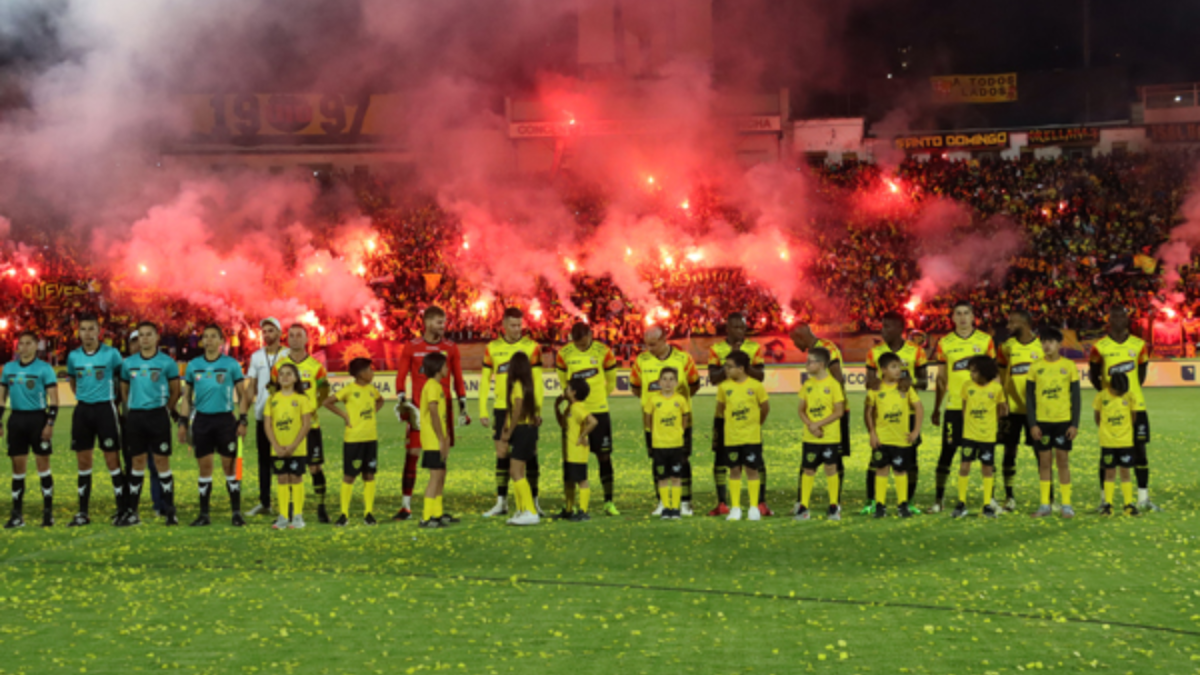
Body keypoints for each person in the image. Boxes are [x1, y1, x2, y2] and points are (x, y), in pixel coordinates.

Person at [394, 307, 467, 521]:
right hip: (420, 412)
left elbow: (458, 377)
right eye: (438, 322)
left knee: (442, 458)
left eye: (444, 322)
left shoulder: (450, 347)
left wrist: (462, 403)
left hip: (445, 410)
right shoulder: (412, 346)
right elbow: (401, 375)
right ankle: (406, 506)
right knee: (413, 454)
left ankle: (437, 510)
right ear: (426, 323)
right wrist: (401, 398)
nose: (442, 326)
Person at [177, 324, 250, 527]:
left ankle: (236, 513)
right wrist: (183, 423)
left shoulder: (231, 364)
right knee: (205, 468)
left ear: (221, 341)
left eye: (213, 336)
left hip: (225, 421)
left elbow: (243, 395)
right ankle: (204, 515)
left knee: (230, 467)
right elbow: (187, 398)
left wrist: (243, 420)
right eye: (205, 337)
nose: (208, 340)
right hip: (202, 422)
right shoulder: (193, 365)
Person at [1088, 307, 1155, 512]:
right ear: (1109, 320)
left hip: (1136, 406)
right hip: (1110, 408)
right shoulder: (1099, 347)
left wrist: (1130, 394)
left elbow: (1141, 374)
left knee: (1140, 451)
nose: (1119, 319)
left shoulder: (1139, 345)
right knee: (1107, 452)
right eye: (1115, 316)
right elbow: (1093, 374)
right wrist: (1108, 396)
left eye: (1122, 316)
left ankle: (1143, 498)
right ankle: (1104, 501)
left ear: (1127, 320)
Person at [932, 302, 996, 514]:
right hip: (954, 408)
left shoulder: (985, 340)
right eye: (958, 314)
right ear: (952, 318)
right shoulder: (945, 343)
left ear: (972, 316)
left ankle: (990, 499)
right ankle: (938, 499)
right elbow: (941, 378)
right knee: (947, 452)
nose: (962, 317)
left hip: (981, 409)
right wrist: (937, 407)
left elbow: (993, 375)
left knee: (986, 455)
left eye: (966, 313)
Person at [479, 308, 543, 518]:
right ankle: (502, 502)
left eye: (519, 325)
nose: (517, 329)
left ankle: (533, 501)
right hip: (501, 407)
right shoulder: (492, 348)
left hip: (525, 409)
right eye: (513, 325)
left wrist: (537, 409)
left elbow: (538, 382)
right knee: (502, 453)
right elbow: (485, 380)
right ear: (504, 326)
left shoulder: (532, 347)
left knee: (529, 453)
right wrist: (482, 409)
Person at [631, 325, 701, 516]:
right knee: (657, 461)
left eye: (653, 344)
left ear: (664, 339)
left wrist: (676, 405)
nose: (649, 348)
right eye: (647, 344)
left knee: (683, 460)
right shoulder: (641, 360)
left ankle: (685, 502)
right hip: (653, 424)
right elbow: (636, 387)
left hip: (680, 422)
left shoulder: (683, 358)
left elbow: (694, 384)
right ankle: (662, 502)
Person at [65, 314, 126, 527]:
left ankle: (122, 509)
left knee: (112, 460)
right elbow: (73, 381)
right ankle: (83, 512)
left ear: (99, 332)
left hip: (105, 409)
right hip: (83, 411)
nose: (87, 333)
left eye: (91, 329)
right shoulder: (73, 356)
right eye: (83, 329)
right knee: (83, 463)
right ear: (78, 332)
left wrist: (118, 401)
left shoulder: (112, 354)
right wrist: (84, 397)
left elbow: (121, 379)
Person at [863, 312, 928, 513]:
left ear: (900, 329)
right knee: (877, 459)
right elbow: (868, 381)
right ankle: (872, 501)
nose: (883, 331)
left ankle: (908, 500)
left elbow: (924, 382)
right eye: (882, 326)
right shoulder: (874, 352)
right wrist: (876, 382)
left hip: (907, 414)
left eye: (887, 327)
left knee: (910, 460)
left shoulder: (916, 351)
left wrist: (910, 382)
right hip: (882, 414)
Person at [119, 322, 181, 526]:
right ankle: (133, 512)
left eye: (148, 334)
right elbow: (124, 389)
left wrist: (166, 409)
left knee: (162, 463)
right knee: (137, 463)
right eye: (141, 335)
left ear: (156, 338)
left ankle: (170, 511)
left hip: (158, 416)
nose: (144, 338)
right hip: (136, 417)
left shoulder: (167, 363)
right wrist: (129, 408)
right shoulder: (129, 363)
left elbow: (176, 390)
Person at [555, 321, 618, 516]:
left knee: (604, 456)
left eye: (583, 343)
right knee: (573, 459)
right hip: (577, 413)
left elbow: (612, 380)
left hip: (599, 411)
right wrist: (574, 404)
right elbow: (564, 382)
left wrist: (599, 399)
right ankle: (571, 505)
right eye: (577, 343)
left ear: (590, 336)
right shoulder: (564, 354)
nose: (580, 346)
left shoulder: (603, 351)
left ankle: (608, 502)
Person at [708, 313, 767, 517]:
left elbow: (760, 375)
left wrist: (742, 363)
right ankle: (722, 502)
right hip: (726, 411)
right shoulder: (716, 349)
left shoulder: (754, 348)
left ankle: (759, 502)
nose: (740, 331)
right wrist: (730, 363)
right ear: (728, 329)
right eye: (735, 327)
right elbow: (713, 378)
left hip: (748, 412)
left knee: (755, 459)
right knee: (721, 458)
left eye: (742, 327)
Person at [272, 325, 332, 523]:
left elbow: (324, 390)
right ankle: (289, 508)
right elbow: (273, 391)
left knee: (315, 468)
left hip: (311, 426)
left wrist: (313, 407)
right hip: (288, 428)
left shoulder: (316, 367)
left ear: (307, 339)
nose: (295, 339)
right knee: (288, 469)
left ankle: (321, 506)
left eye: (299, 335)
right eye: (291, 335)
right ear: (287, 339)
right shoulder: (279, 366)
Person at [1, 331, 59, 529]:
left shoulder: (44, 368)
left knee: (43, 466)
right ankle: (17, 515)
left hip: (38, 419)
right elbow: (1, 398)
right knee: (18, 469)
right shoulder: (9, 368)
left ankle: (48, 513)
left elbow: (54, 400)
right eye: (21, 344)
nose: (23, 347)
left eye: (28, 343)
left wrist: (49, 424)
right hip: (16, 420)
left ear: (36, 346)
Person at [789, 324, 848, 513]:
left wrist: (833, 409)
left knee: (835, 460)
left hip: (833, 414)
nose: (794, 344)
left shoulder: (827, 348)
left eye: (794, 340)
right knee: (809, 461)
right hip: (815, 417)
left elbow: (838, 378)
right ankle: (802, 502)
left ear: (801, 336)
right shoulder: (815, 354)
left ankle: (835, 502)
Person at [1025, 328, 1080, 518]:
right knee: (1044, 463)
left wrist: (1074, 424)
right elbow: (1029, 399)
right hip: (1042, 422)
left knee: (1063, 462)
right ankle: (1044, 505)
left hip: (1063, 421)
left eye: (1051, 342)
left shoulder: (1069, 366)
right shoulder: (1035, 367)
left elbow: (1076, 397)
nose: (1047, 345)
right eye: (1044, 342)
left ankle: (1066, 504)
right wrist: (1033, 424)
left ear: (1059, 344)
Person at [324, 357, 384, 526]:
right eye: (370, 370)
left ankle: (368, 513)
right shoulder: (349, 390)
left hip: (370, 438)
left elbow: (380, 400)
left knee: (369, 474)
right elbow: (327, 402)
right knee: (350, 475)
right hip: (353, 439)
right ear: (361, 373)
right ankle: (344, 514)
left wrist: (372, 412)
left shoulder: (372, 390)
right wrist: (345, 415)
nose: (372, 373)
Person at [996, 309, 1042, 512]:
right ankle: (1009, 497)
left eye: (1012, 322)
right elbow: (1001, 376)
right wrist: (1002, 401)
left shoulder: (1042, 346)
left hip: (1036, 411)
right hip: (1012, 410)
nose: (1008, 326)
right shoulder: (1006, 347)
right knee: (1009, 451)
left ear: (1024, 324)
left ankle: (1047, 497)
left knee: (1041, 453)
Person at [951, 356, 1007, 519]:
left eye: (974, 371)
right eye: (970, 371)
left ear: (984, 371)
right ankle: (961, 503)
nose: (971, 374)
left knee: (987, 469)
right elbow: (964, 409)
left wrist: (991, 424)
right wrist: (968, 425)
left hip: (987, 436)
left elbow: (1002, 410)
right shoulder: (967, 386)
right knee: (964, 467)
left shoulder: (996, 388)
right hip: (969, 435)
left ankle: (987, 504)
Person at [244, 317, 288, 518]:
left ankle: (287, 502)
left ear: (279, 333)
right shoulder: (256, 357)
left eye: (271, 330)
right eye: (264, 331)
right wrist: (243, 415)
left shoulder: (287, 354)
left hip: (284, 416)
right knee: (263, 461)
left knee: (284, 459)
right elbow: (251, 387)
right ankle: (265, 503)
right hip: (262, 415)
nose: (266, 334)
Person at [264, 362, 314, 529]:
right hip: (277, 449)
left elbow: (306, 424)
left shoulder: (301, 399)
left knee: (295, 478)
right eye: (281, 374)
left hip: (297, 449)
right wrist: (276, 446)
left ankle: (298, 516)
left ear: (295, 378)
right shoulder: (272, 399)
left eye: (289, 374)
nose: (284, 377)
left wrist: (293, 446)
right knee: (282, 478)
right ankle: (283, 516)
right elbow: (267, 425)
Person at [643, 368, 690, 520]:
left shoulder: (680, 400)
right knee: (662, 477)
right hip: (659, 445)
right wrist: (653, 432)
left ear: (676, 382)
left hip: (676, 444)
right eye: (664, 379)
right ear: (659, 382)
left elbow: (685, 416)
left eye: (671, 379)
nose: (668, 382)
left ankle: (675, 508)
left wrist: (680, 431)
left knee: (676, 477)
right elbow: (647, 417)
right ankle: (665, 508)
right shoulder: (653, 400)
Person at [501, 351, 540, 526]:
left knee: (515, 472)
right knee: (517, 472)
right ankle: (522, 509)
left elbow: (517, 409)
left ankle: (530, 511)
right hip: (527, 430)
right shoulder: (527, 385)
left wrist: (509, 431)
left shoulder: (517, 385)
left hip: (522, 430)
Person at [1094, 372, 1138, 516]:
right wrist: (1107, 430)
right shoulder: (1101, 396)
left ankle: (1128, 504)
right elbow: (1097, 417)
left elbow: (1133, 416)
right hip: (1108, 442)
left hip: (1125, 441)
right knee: (1109, 472)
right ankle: (1108, 504)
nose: (1121, 393)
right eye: (1119, 391)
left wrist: (1124, 430)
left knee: (1125, 472)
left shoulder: (1130, 396)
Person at [417, 352, 453, 529]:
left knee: (440, 476)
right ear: (438, 368)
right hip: (432, 439)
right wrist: (440, 438)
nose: (447, 368)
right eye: (445, 366)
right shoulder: (432, 386)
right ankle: (426, 517)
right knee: (435, 477)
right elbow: (433, 413)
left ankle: (437, 514)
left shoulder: (436, 386)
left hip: (436, 438)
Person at [563, 378, 598, 521]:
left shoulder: (578, 408)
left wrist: (582, 436)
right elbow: (563, 424)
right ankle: (569, 510)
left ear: (574, 392)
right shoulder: (571, 408)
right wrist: (556, 406)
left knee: (581, 480)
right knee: (569, 480)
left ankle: (583, 511)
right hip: (569, 452)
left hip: (577, 452)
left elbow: (593, 421)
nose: (565, 390)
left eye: (567, 388)